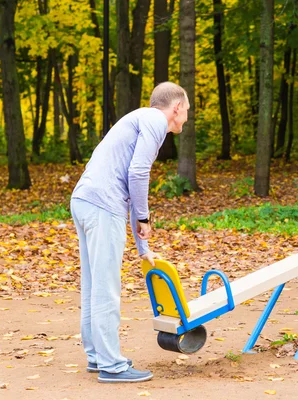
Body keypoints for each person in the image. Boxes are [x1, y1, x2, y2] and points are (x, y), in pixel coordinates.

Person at [70, 82, 190, 382]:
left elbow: (128, 178)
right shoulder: (154, 121)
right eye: (187, 110)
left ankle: (98, 357)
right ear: (176, 107)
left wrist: (142, 247)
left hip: (85, 200)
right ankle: (112, 365)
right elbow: (137, 173)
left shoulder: (138, 119)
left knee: (93, 284)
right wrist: (145, 218)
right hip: (102, 204)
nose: (187, 116)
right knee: (106, 287)